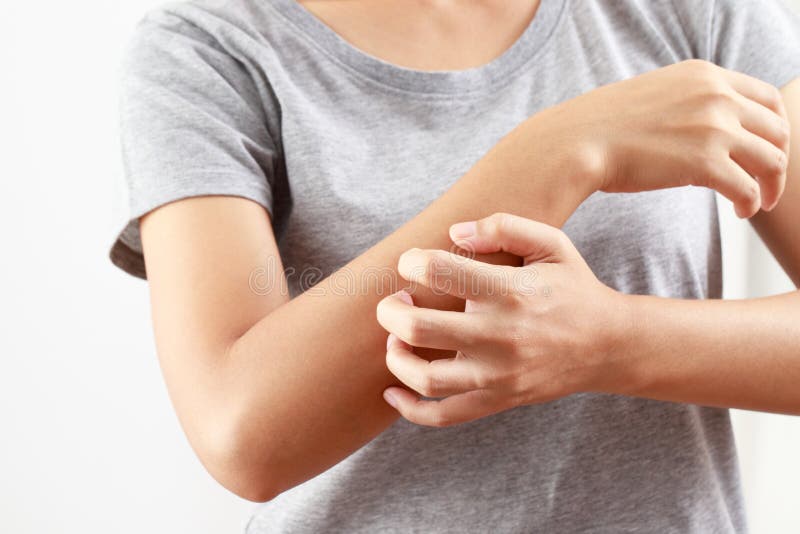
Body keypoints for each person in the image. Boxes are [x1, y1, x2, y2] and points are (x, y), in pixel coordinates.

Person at [108, 0, 800, 532]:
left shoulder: (691, 10)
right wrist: (564, 151)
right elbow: (241, 432)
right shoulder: (207, 47)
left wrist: (612, 341)